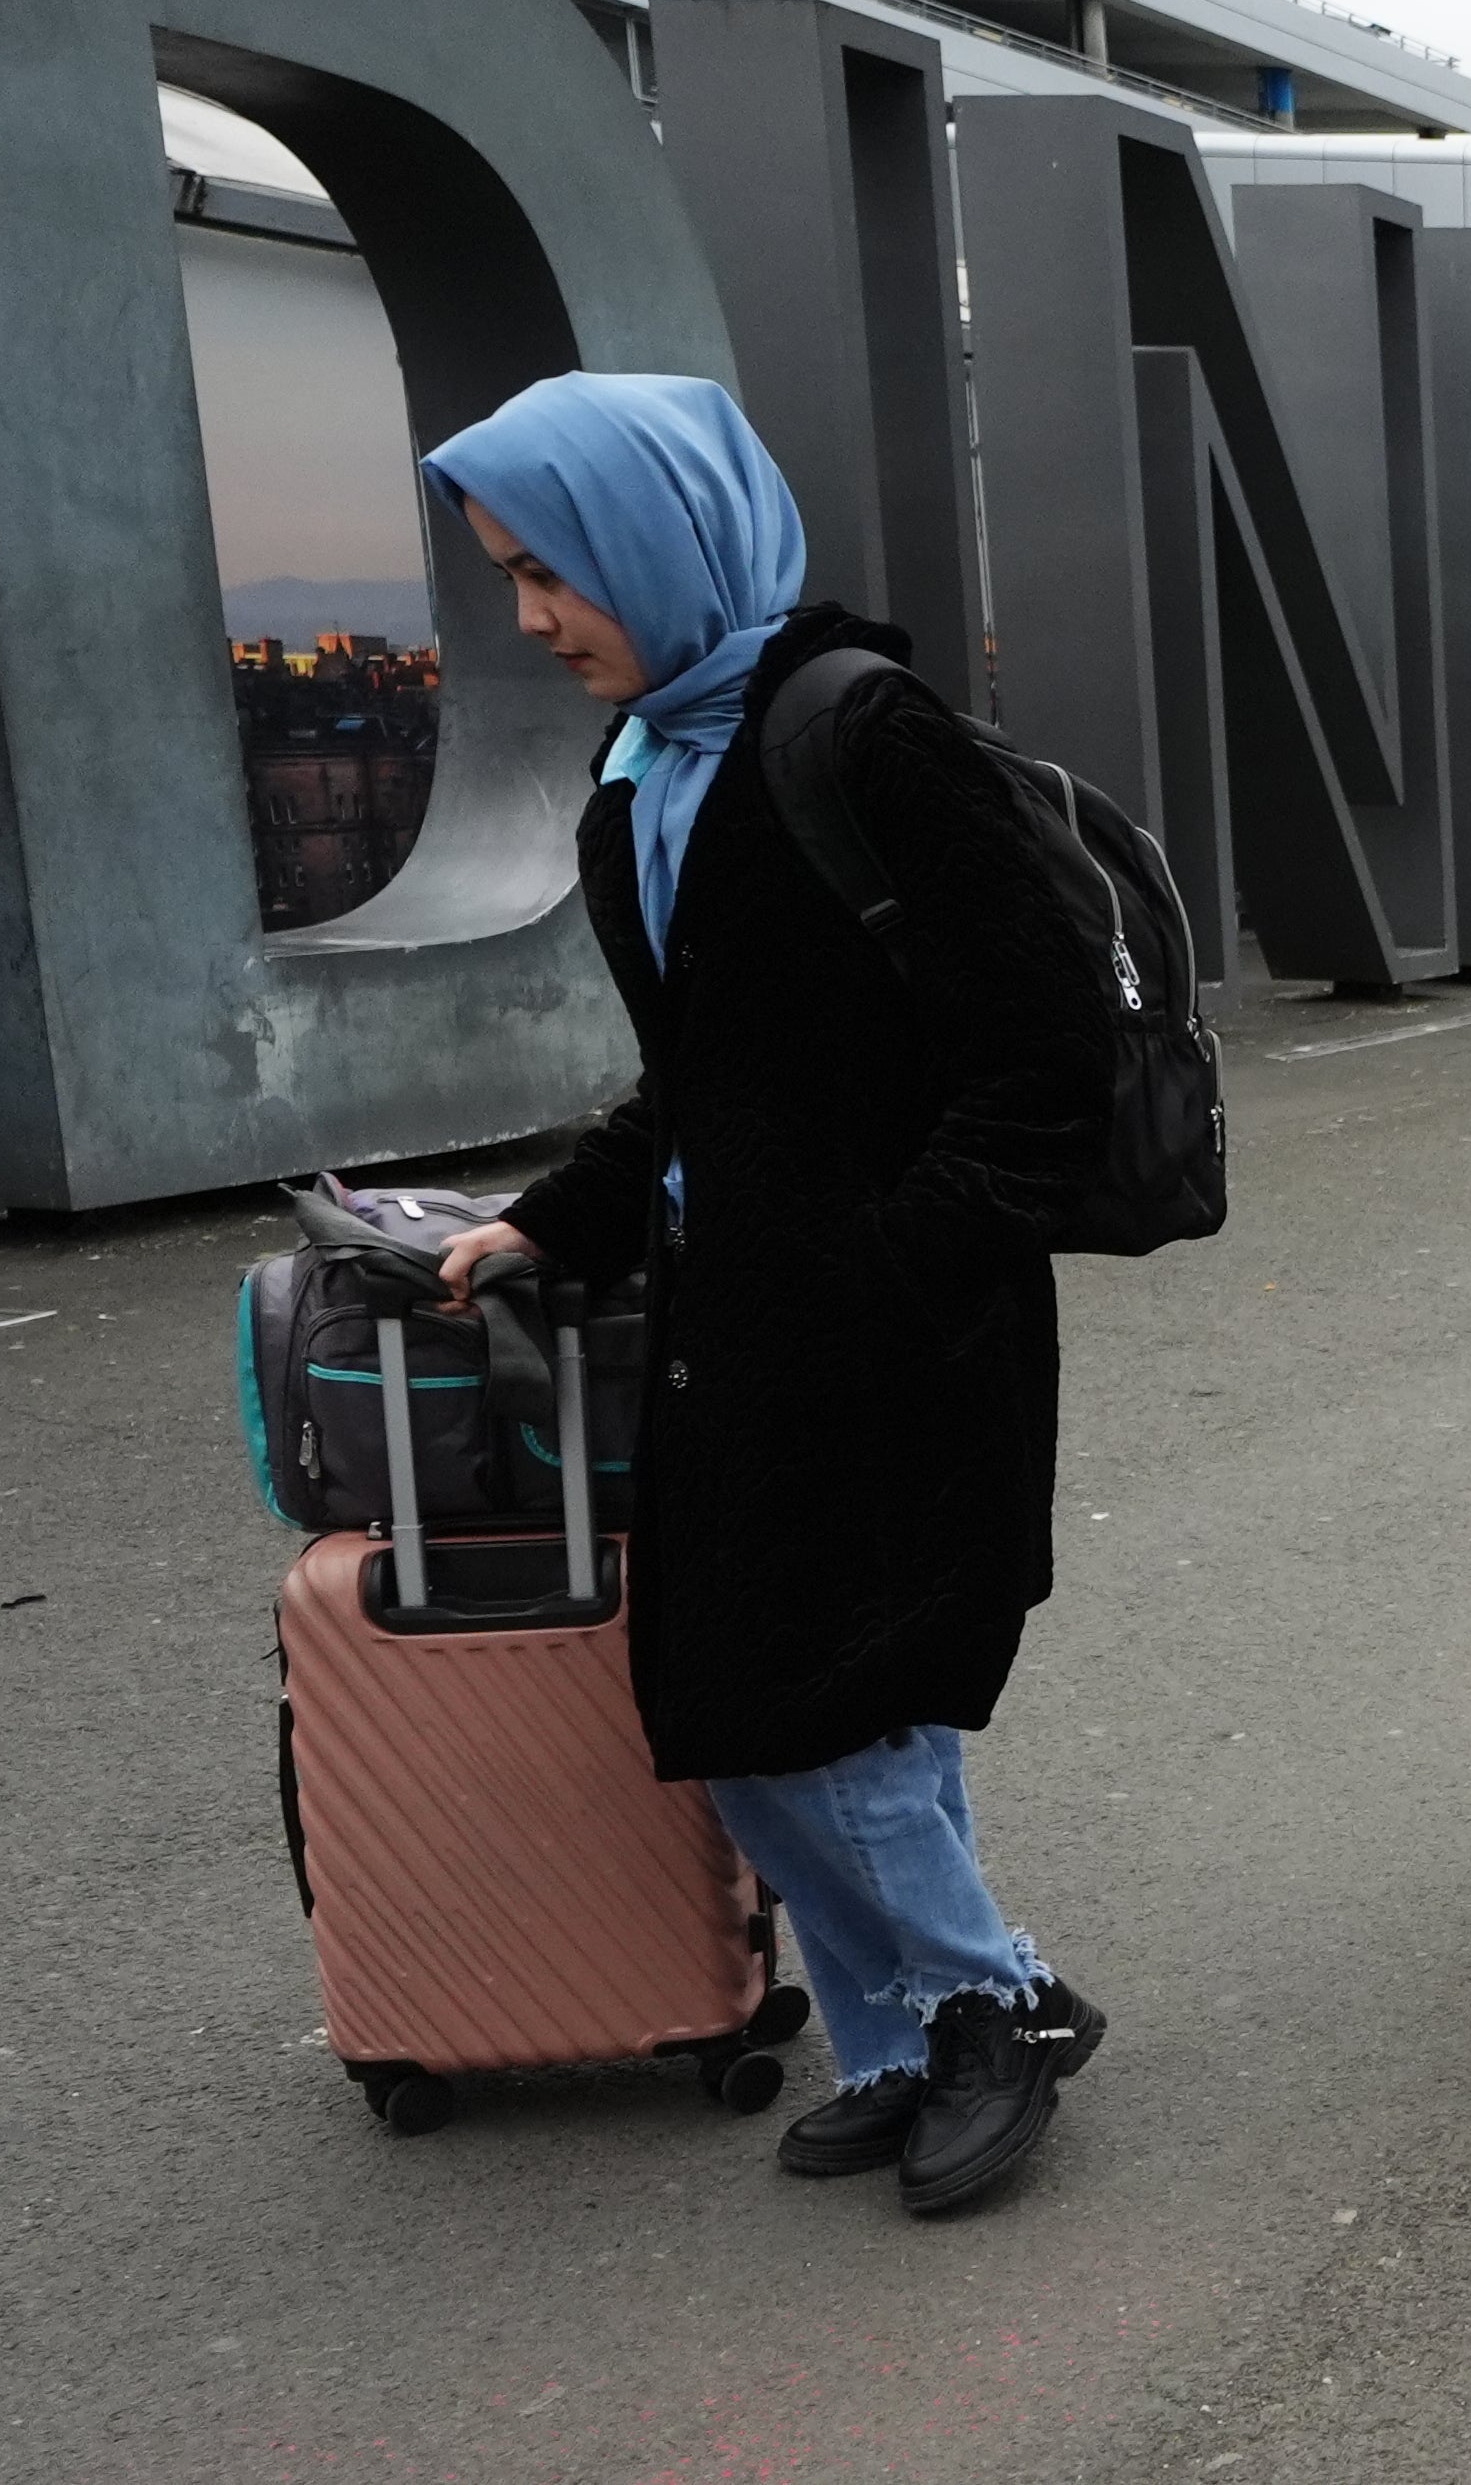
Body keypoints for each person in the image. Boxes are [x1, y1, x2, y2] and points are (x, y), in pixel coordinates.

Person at [418, 374, 1113, 2216]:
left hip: (893, 1332)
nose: (532, 618)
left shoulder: (863, 736)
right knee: (757, 1702)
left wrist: (902, 1259)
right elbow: (708, 1070)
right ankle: (900, 2039)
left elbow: (1054, 1054)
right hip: (744, 1333)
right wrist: (562, 1215)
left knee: (829, 1701)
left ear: (660, 539)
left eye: (552, 571)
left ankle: (992, 2004)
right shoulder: (655, 761)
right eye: (509, 576)